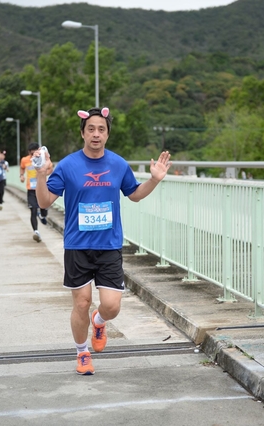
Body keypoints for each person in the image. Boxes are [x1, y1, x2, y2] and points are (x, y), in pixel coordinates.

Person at [34, 107, 171, 375]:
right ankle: (82, 353)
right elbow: (44, 201)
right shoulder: (68, 165)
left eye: (101, 129)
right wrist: (41, 175)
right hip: (77, 246)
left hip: (109, 246)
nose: (96, 134)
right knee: (81, 303)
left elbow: (134, 194)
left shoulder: (118, 164)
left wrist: (154, 180)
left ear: (107, 134)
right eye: (91, 129)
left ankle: (99, 321)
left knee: (111, 306)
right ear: (83, 134)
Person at [20, 142, 53, 242]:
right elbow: (22, 168)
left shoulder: (44, 158)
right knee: (33, 210)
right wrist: (21, 175)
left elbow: (50, 169)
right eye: (32, 154)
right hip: (31, 189)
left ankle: (42, 216)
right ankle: (36, 232)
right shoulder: (25, 160)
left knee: (43, 209)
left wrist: (42, 174)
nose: (34, 155)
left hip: (42, 188)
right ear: (29, 153)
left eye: (36, 153)